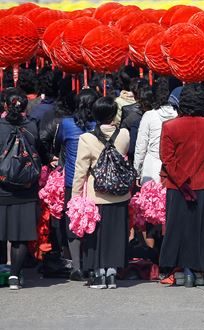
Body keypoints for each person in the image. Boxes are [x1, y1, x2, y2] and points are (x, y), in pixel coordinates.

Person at [158, 83, 204, 288]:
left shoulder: (170, 126)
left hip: (178, 185)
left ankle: (188, 270)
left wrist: (183, 180)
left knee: (182, 228)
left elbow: (167, 158)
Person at [0, 88, 45, 290]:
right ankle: (14, 276)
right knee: (19, 236)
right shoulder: (32, 127)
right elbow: (42, 156)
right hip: (25, 190)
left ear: (4, 105)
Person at [72, 96, 130, 289]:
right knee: (116, 235)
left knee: (95, 236)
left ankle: (99, 275)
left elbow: (81, 171)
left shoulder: (86, 139)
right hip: (119, 193)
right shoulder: (124, 135)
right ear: (114, 114)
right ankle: (112, 273)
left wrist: (75, 197)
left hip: (96, 195)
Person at [56, 89, 99, 281]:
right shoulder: (99, 124)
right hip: (93, 181)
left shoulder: (66, 124)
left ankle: (76, 266)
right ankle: (91, 263)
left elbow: (58, 146)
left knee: (73, 222)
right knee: (92, 222)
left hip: (72, 180)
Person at [133, 87, 179, 184]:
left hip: (151, 167)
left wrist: (137, 171)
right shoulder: (179, 116)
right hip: (174, 167)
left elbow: (141, 146)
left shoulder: (149, 115)